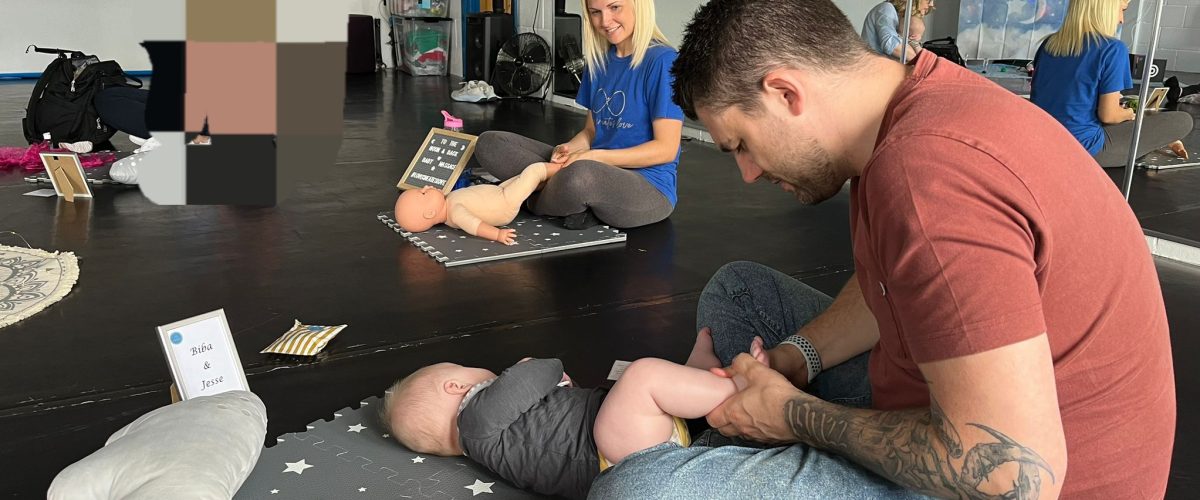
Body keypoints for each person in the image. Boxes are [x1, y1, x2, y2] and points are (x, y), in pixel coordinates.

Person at [589, 0, 1175, 498]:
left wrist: (793, 416)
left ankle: (732, 443)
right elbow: (892, 291)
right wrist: (795, 359)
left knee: (637, 489)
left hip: (1007, 471)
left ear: (785, 92)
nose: (746, 174)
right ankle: (740, 432)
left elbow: (1018, 478)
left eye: (741, 144)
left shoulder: (927, 173)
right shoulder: (907, 104)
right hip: (955, 401)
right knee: (739, 288)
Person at [380, 355, 737, 499]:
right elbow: (542, 372)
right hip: (618, 450)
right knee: (643, 376)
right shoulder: (475, 418)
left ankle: (701, 374)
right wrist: (532, 366)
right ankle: (742, 393)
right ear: (455, 387)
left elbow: (557, 428)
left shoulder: (492, 443)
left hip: (621, 459)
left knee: (660, 385)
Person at [473, 0, 684, 230]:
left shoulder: (663, 61)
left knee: (580, 177)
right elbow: (592, 131)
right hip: (591, 166)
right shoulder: (599, 61)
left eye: (615, 8)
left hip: (647, 187)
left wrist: (594, 158)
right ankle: (562, 200)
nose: (605, 21)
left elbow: (666, 149)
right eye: (595, 12)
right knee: (490, 143)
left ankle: (521, 198)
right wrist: (569, 149)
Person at [1030, 0, 1191, 168]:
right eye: (1122, 10)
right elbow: (1109, 116)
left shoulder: (1049, 43)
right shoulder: (1112, 49)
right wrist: (1128, 114)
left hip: (1042, 141)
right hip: (1083, 148)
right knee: (1182, 121)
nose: (1122, 19)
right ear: (1105, 10)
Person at [861, 0, 931, 61]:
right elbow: (891, 46)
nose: (931, 4)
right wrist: (924, 61)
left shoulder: (902, 19)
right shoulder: (886, 8)